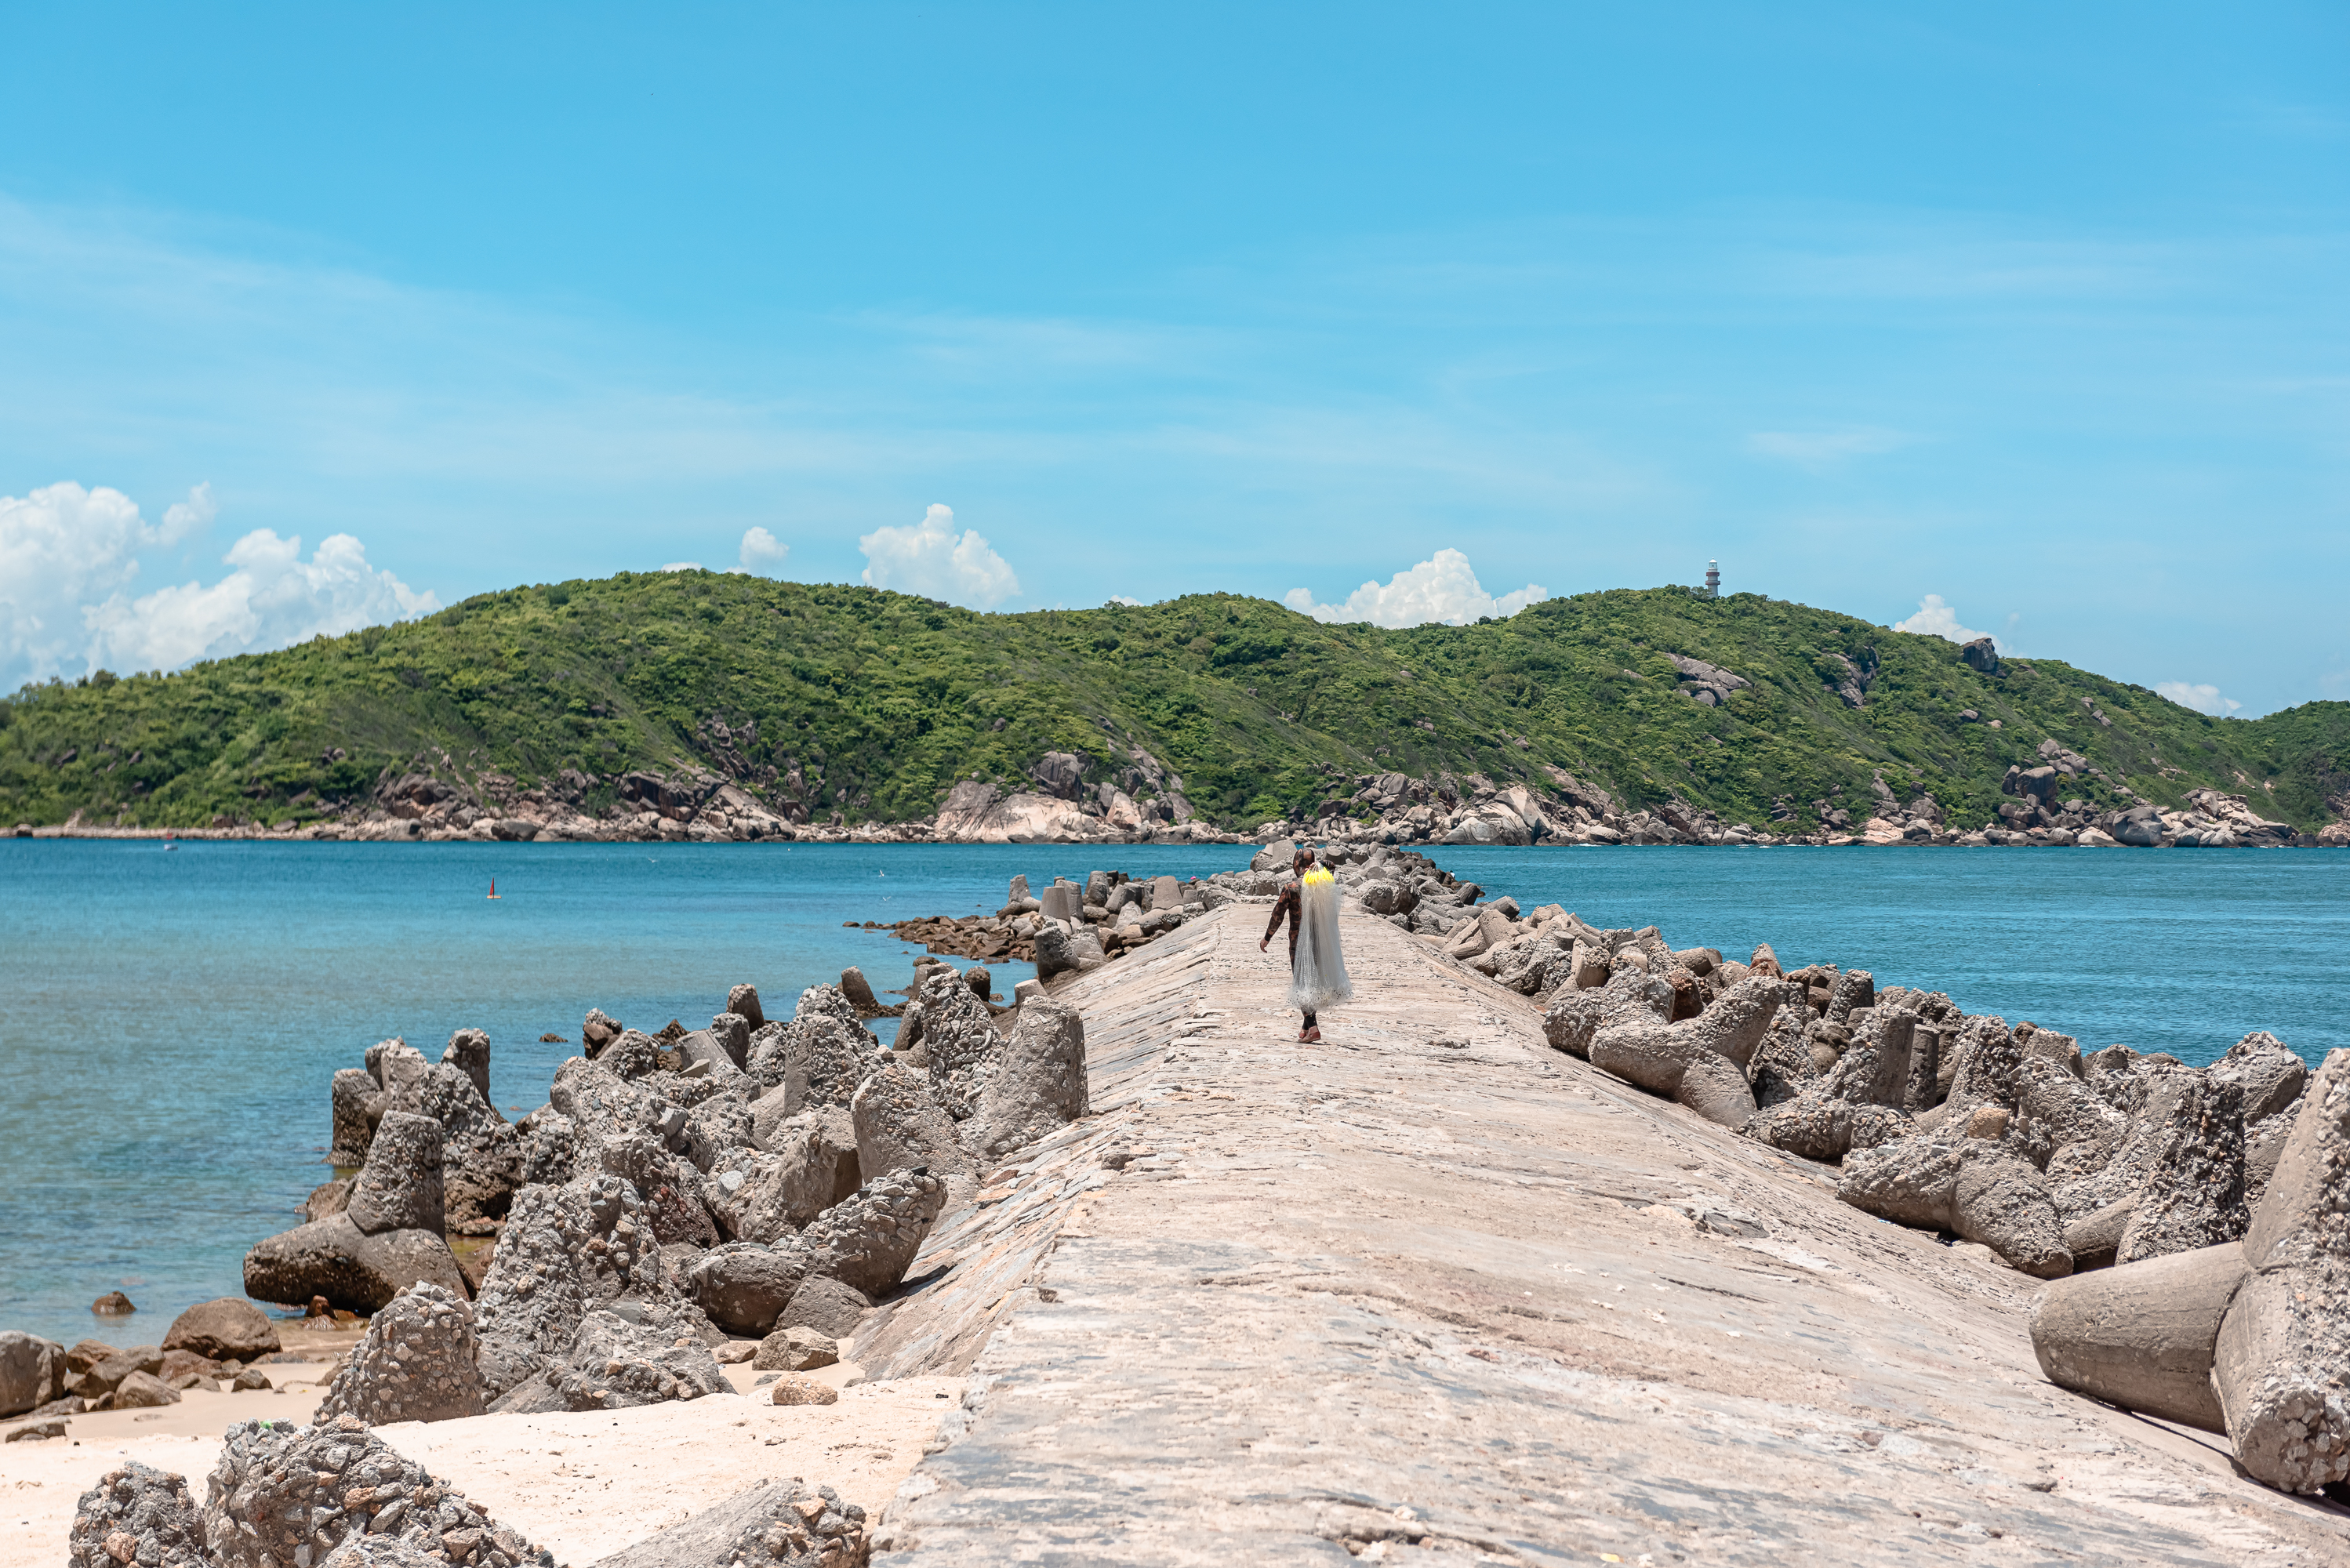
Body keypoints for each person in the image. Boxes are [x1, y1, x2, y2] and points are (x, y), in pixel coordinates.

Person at [1260, 846, 1353, 1041]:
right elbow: (1332, 867)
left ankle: (1313, 1028)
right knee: (1311, 983)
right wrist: (1323, 865)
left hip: (1297, 943)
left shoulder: (1291, 888)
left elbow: (1277, 915)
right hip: (1320, 941)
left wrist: (1267, 937)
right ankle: (1305, 1028)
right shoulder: (1323, 883)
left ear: (1297, 865)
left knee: (1302, 985)